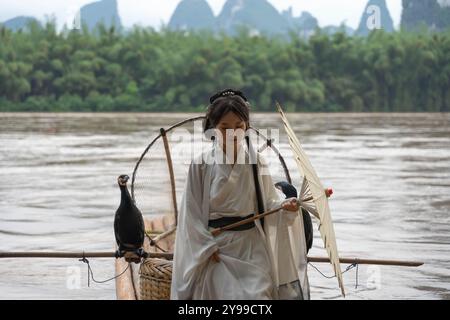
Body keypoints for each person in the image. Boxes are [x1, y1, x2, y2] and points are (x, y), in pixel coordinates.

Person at [170, 89, 310, 300]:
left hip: (251, 246)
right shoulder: (200, 164)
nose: (232, 133)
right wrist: (205, 247)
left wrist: (285, 207)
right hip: (216, 248)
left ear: (246, 127)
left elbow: (269, 205)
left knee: (258, 295)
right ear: (213, 128)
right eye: (224, 127)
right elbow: (190, 214)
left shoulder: (257, 162)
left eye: (238, 126)